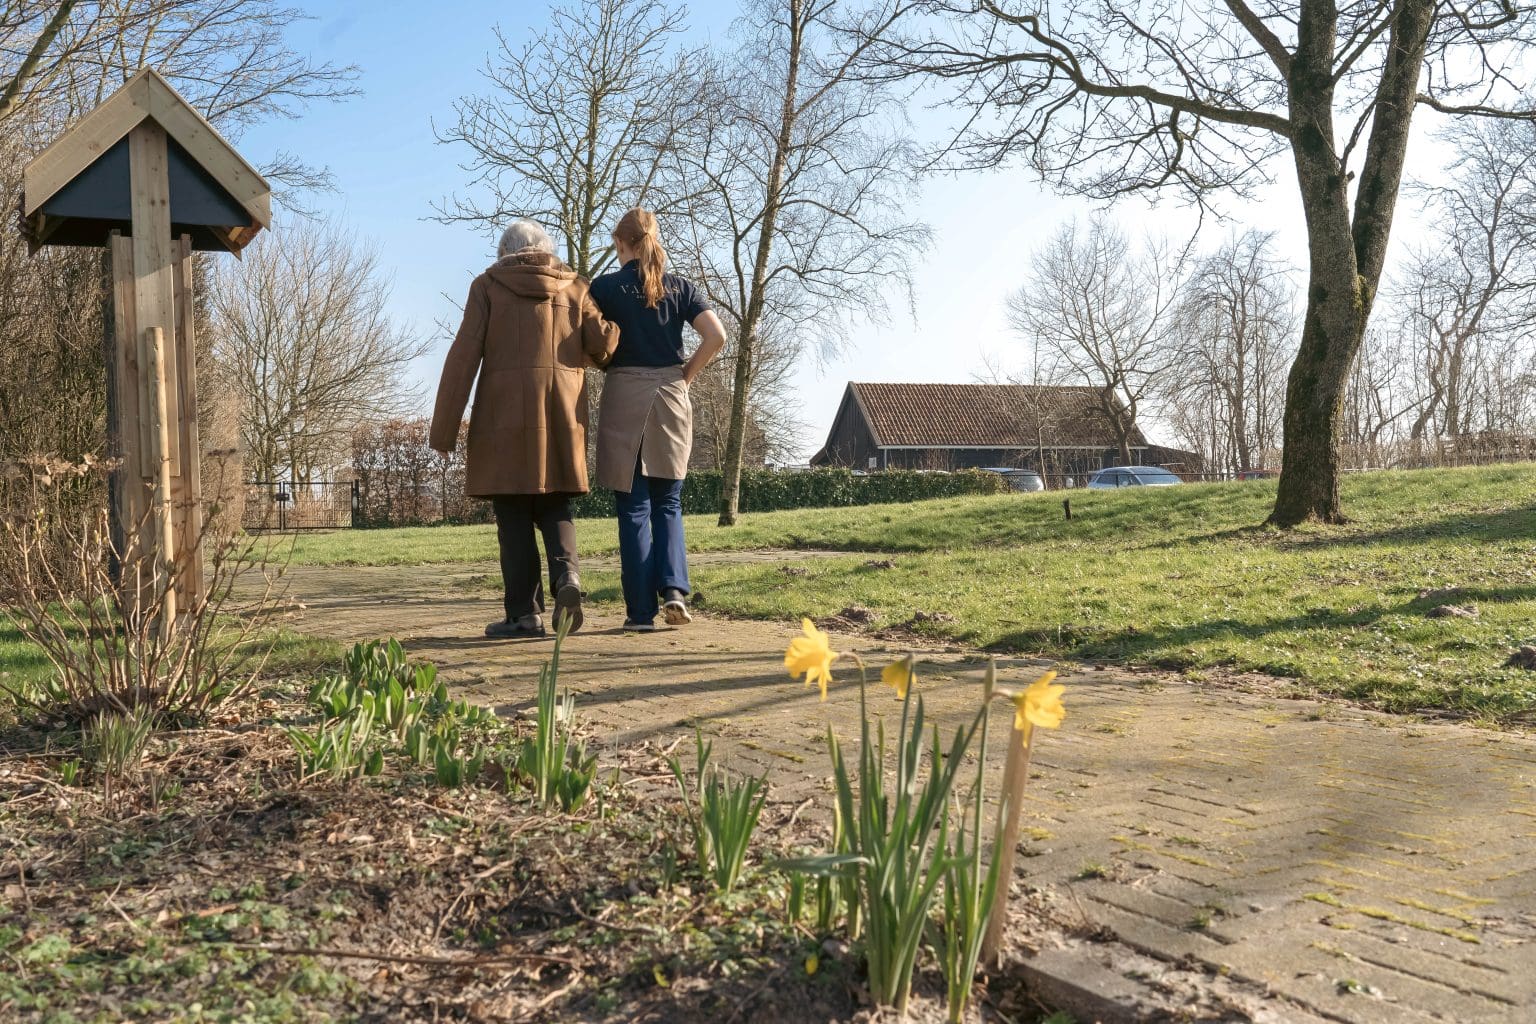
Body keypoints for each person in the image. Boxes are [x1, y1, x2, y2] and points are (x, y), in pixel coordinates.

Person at [430, 220, 619, 638]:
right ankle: (567, 576)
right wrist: (615, 317)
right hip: (560, 416)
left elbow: (464, 356)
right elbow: (603, 346)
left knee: (513, 513)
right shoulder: (576, 287)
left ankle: (524, 615)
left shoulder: (487, 287)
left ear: (504, 252)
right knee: (555, 505)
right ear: (547, 249)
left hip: (504, 418)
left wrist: (443, 432)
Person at [590, 208, 727, 632]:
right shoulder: (681, 287)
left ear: (620, 243)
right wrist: (685, 376)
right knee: (668, 501)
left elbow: (587, 336)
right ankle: (674, 592)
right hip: (671, 396)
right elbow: (717, 336)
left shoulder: (604, 287)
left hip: (625, 396)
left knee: (633, 505)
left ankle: (639, 614)